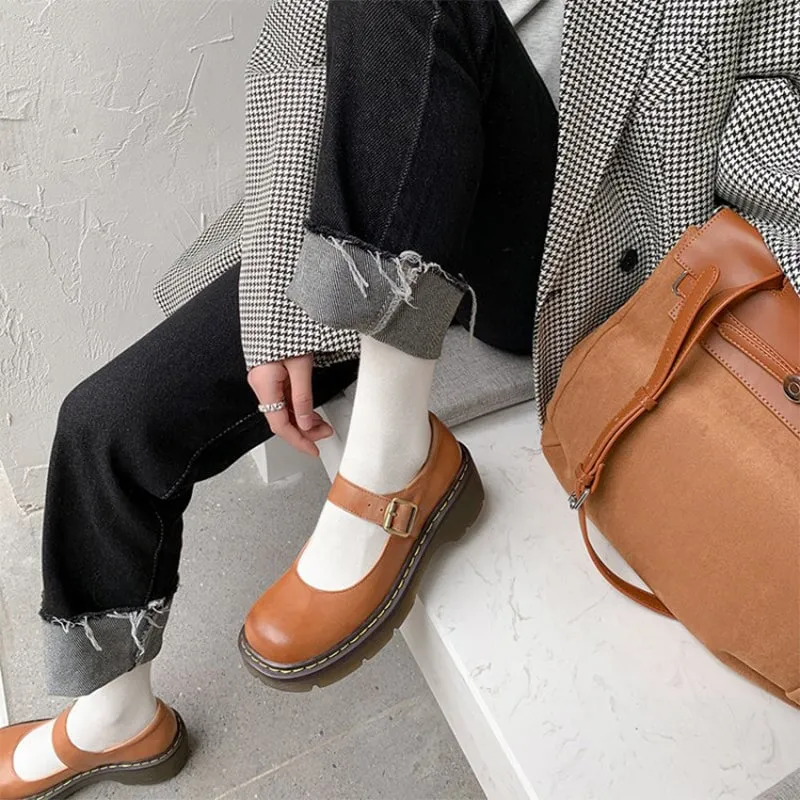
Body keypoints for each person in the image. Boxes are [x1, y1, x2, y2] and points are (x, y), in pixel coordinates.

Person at [2, 0, 798, 797]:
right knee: (103, 421)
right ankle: (114, 719)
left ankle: (392, 458)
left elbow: (776, 119)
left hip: (569, 246)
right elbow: (294, 54)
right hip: (390, 198)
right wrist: (280, 305)